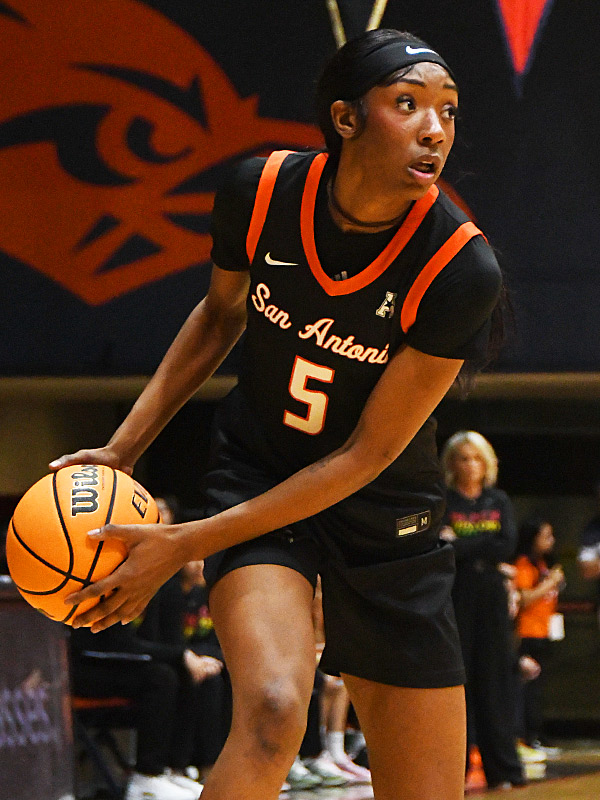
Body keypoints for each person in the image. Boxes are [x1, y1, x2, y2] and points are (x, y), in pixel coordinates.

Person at [51, 28, 506, 800]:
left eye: (449, 111)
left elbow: (364, 456)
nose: (437, 130)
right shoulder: (259, 192)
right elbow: (217, 316)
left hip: (386, 519)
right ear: (345, 118)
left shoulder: (460, 267)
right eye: (408, 104)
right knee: (268, 710)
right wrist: (121, 449)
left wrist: (180, 543)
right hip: (260, 478)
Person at [440, 430, 525, 790]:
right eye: (462, 458)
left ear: (486, 462)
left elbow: (506, 544)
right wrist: (478, 547)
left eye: (476, 458)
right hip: (456, 594)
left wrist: (462, 543)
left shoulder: (498, 499)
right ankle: (451, 772)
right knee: (457, 681)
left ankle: (503, 769)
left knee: (495, 680)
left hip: (491, 596)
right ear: (451, 464)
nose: (470, 465)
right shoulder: (444, 500)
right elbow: (440, 547)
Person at [70, 614, 213, 799]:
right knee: (162, 677)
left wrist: (183, 657)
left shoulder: (157, 591)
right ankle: (146, 777)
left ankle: (174, 769)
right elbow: (116, 644)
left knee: (185, 673)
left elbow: (148, 641)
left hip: (119, 662)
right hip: (83, 667)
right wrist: (179, 655)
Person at [513, 517, 565, 756]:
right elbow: (524, 598)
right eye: (546, 536)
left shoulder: (545, 564)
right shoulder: (524, 564)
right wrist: (550, 583)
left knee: (538, 689)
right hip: (527, 632)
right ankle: (524, 737)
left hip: (544, 631)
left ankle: (535, 735)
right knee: (527, 690)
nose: (551, 541)